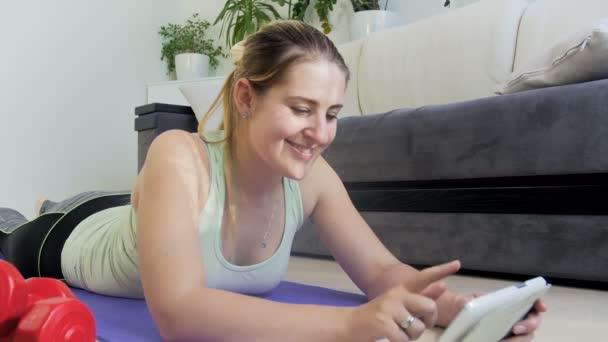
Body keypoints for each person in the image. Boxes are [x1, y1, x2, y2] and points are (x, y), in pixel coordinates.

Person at [0, 20, 545, 341]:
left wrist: (447, 306)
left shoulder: (313, 180)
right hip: (69, 237)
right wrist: (348, 326)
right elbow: (178, 311)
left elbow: (380, 270)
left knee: (122, 205)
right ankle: (39, 207)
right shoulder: (177, 154)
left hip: (141, 214)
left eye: (330, 113)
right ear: (245, 98)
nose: (319, 132)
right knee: (13, 231)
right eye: (302, 108)